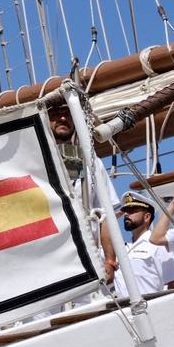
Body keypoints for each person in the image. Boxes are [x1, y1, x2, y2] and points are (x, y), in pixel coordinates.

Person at [48, 105, 120, 280]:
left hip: (89, 258)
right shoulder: (32, 161)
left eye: (68, 114)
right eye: (56, 114)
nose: (63, 119)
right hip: (49, 262)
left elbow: (105, 214)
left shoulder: (88, 161)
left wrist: (110, 260)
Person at [112, 193, 174, 300]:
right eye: (125, 211)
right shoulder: (120, 248)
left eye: (132, 211)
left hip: (150, 310)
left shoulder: (157, 245)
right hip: (123, 311)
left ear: (147, 217)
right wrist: (109, 220)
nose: (126, 215)